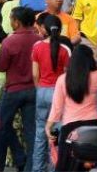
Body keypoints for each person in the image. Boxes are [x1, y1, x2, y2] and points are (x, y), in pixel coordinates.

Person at [46, 44, 97, 171]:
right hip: (94, 127)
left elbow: (57, 108)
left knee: (68, 164)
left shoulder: (62, 79)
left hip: (71, 131)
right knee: (92, 165)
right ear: (90, 60)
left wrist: (48, 127)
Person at [0, 6, 39, 171]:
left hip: (13, 90)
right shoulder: (38, 40)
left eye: (11, 19)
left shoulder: (9, 41)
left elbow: (2, 66)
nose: (10, 22)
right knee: (30, 130)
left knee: (3, 124)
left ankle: (10, 159)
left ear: (16, 22)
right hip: (33, 90)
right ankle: (29, 166)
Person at [31, 14, 70, 172]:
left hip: (42, 91)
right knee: (58, 135)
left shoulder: (37, 47)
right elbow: (67, 76)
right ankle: (55, 168)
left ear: (44, 29)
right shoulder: (65, 50)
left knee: (40, 133)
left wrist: (39, 88)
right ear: (60, 30)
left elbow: (35, 74)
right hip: (59, 94)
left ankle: (37, 169)